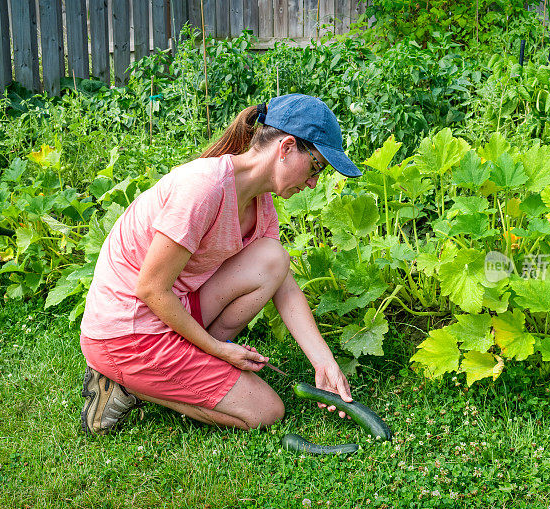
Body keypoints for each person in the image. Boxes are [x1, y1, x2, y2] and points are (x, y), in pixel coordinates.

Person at [79, 93, 363, 435]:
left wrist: (324, 361)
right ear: (286, 147)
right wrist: (218, 350)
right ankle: (125, 383)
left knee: (273, 258)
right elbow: (150, 288)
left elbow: (282, 285)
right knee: (265, 411)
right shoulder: (203, 187)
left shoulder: (260, 204)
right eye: (316, 166)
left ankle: (179, 367)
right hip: (127, 330)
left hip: (169, 310)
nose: (314, 182)